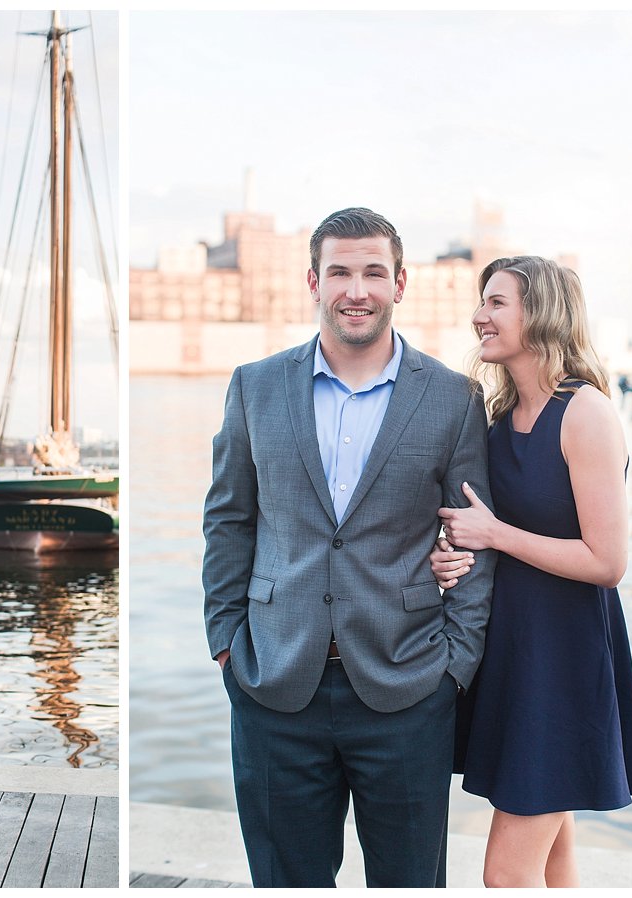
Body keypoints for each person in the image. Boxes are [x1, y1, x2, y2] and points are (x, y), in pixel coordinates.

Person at [202, 207, 496, 888]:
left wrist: (456, 662)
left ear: (400, 283)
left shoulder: (454, 399)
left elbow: (475, 534)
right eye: (340, 271)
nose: (355, 290)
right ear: (313, 280)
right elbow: (228, 520)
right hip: (274, 684)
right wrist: (226, 641)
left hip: (409, 686)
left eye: (372, 272)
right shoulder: (254, 386)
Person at [430, 256, 632, 887]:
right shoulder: (498, 421)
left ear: (542, 313)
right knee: (555, 863)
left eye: (497, 303)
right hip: (513, 654)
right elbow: (497, 543)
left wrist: (494, 534)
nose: (480, 317)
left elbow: (608, 563)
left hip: (564, 661)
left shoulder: (586, 414)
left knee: (505, 878)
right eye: (483, 301)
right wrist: (457, 555)